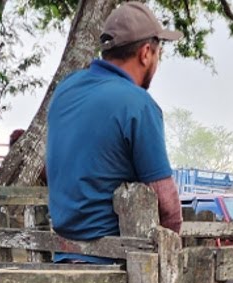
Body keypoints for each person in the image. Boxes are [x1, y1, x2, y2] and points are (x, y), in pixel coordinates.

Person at [45, 1, 183, 261]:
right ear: (145, 53)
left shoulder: (66, 89)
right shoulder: (138, 104)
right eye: (158, 54)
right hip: (115, 265)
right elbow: (168, 206)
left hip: (63, 255)